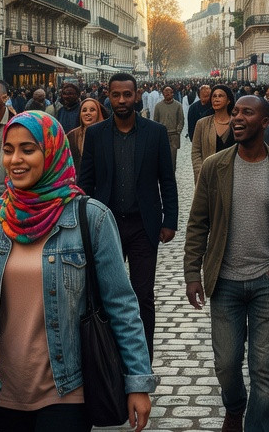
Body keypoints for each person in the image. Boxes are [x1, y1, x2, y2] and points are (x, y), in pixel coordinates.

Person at [0, 111, 156, 432]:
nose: (15, 159)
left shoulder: (92, 218)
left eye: (28, 149)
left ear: (51, 152)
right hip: (4, 389)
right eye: (8, 150)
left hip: (67, 389)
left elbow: (122, 306)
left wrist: (138, 382)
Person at [184, 95, 269, 432]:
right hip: (224, 281)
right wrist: (192, 274)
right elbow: (198, 223)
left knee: (263, 369)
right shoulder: (215, 166)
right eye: (235, 112)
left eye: (247, 113)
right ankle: (234, 405)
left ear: (265, 121)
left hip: (268, 283)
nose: (237, 118)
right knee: (226, 364)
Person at [77, 73, 178, 359]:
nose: (122, 100)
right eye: (116, 95)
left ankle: (143, 355)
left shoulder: (154, 132)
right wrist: (82, 221)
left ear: (137, 95)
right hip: (105, 226)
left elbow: (166, 180)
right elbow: (86, 182)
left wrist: (170, 220)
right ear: (107, 95)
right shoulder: (96, 134)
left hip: (143, 225)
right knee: (104, 291)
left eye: (127, 94)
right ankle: (109, 353)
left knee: (143, 294)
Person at [192, 85, 236, 185]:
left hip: (232, 178)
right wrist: (200, 172)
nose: (216, 99)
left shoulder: (237, 124)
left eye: (220, 96)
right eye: (214, 96)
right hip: (209, 177)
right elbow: (196, 152)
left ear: (228, 100)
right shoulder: (202, 124)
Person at [66, 96, 106, 170]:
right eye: (84, 110)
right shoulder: (72, 136)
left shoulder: (107, 134)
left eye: (92, 110)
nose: (88, 113)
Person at [151, 86, 185, 167]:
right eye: (165, 91)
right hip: (162, 136)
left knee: (172, 160)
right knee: (162, 159)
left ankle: (172, 177)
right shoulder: (158, 106)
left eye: (169, 91)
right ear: (162, 93)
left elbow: (181, 120)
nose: (167, 93)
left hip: (173, 136)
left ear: (173, 93)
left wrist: (178, 131)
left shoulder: (178, 105)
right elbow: (155, 121)